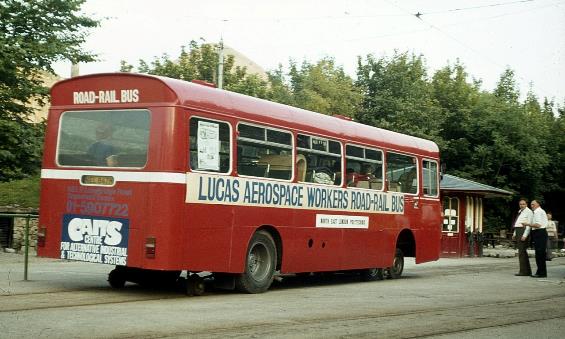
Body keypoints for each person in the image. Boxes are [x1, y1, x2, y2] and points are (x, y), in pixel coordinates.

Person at [524, 200, 549, 278]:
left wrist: (527, 224)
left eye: (533, 204)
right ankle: (540, 271)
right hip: (539, 233)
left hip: (540, 232)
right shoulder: (538, 211)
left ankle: (542, 273)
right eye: (531, 204)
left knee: (540, 254)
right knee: (539, 254)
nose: (532, 206)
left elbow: (538, 225)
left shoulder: (538, 212)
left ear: (538, 204)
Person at [511, 199, 533, 276]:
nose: (522, 205)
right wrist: (514, 233)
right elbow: (517, 223)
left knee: (522, 252)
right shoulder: (520, 211)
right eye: (520, 204)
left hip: (523, 231)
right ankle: (526, 271)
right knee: (522, 252)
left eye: (523, 204)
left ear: (526, 204)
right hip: (518, 230)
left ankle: (524, 271)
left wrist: (525, 235)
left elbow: (529, 224)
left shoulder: (529, 212)